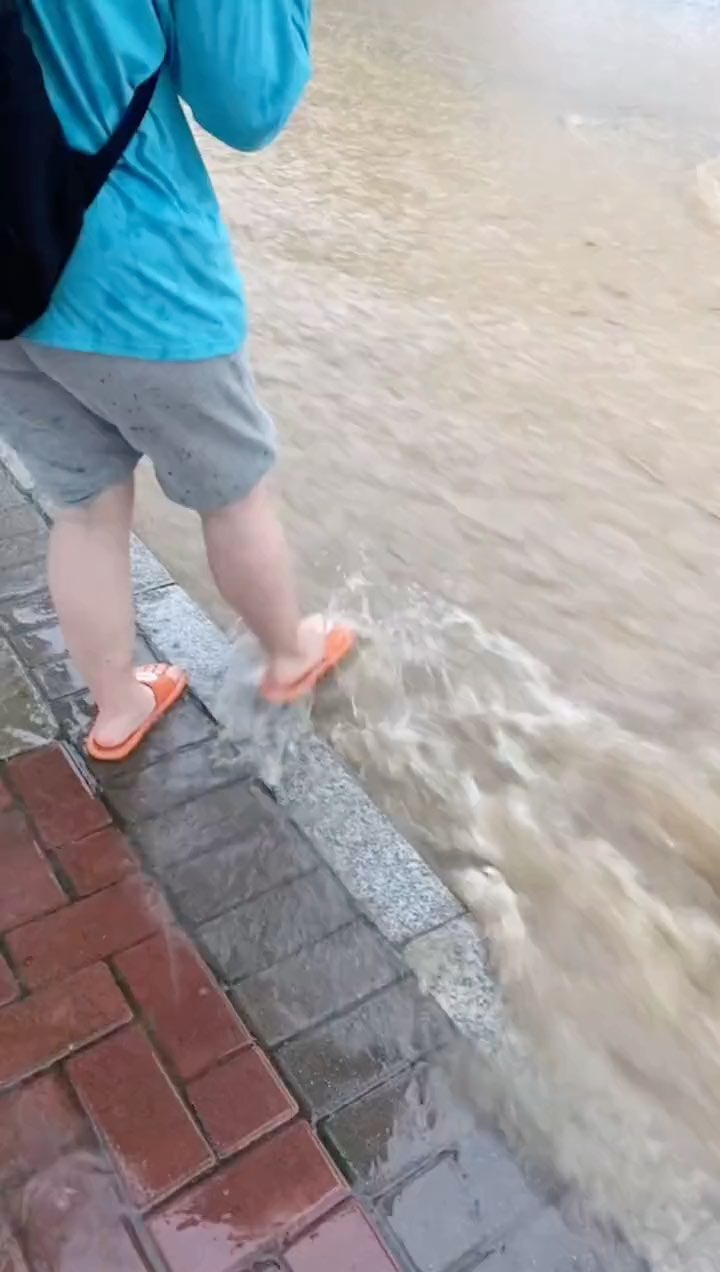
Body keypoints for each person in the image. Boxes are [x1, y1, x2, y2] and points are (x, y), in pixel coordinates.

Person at [0, 1, 353, 762]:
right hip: (137, 274)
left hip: (5, 284)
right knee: (232, 492)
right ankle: (289, 656)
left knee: (83, 509)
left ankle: (117, 711)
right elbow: (248, 103)